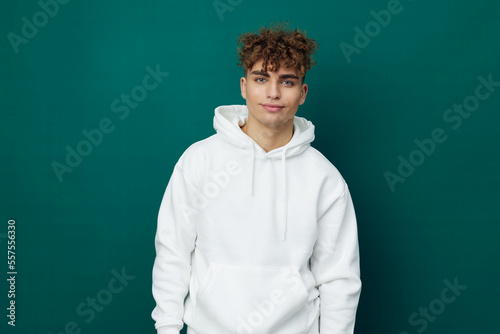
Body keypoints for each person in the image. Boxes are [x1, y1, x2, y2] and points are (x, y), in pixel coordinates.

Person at [151, 23, 361, 334]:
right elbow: (173, 252)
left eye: (286, 81)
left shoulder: (325, 179)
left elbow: (338, 278)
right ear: (244, 86)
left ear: (303, 93)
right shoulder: (199, 160)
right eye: (261, 79)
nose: (273, 92)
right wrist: (167, 328)